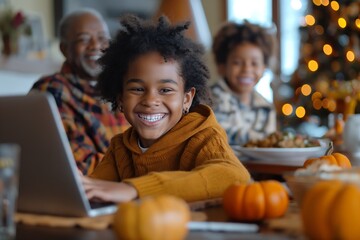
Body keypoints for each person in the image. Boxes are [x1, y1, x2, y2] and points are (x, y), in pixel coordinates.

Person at [81, 15, 251, 203]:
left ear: (187, 98)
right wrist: (79, 186)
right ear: (120, 97)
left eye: (165, 90)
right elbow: (94, 189)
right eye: (137, 89)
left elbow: (234, 177)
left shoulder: (204, 136)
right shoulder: (120, 148)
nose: (151, 100)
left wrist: (134, 189)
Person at [29, 9, 128, 175]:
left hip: (135, 188)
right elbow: (81, 166)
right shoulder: (52, 92)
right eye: (84, 39)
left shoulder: (121, 87)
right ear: (64, 49)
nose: (96, 45)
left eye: (103, 38)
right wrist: (143, 165)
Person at [210, 20, 277, 146]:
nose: (247, 69)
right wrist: (262, 140)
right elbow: (219, 133)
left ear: (264, 68)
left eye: (254, 63)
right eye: (237, 63)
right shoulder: (212, 99)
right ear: (223, 66)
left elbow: (271, 145)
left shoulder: (266, 108)